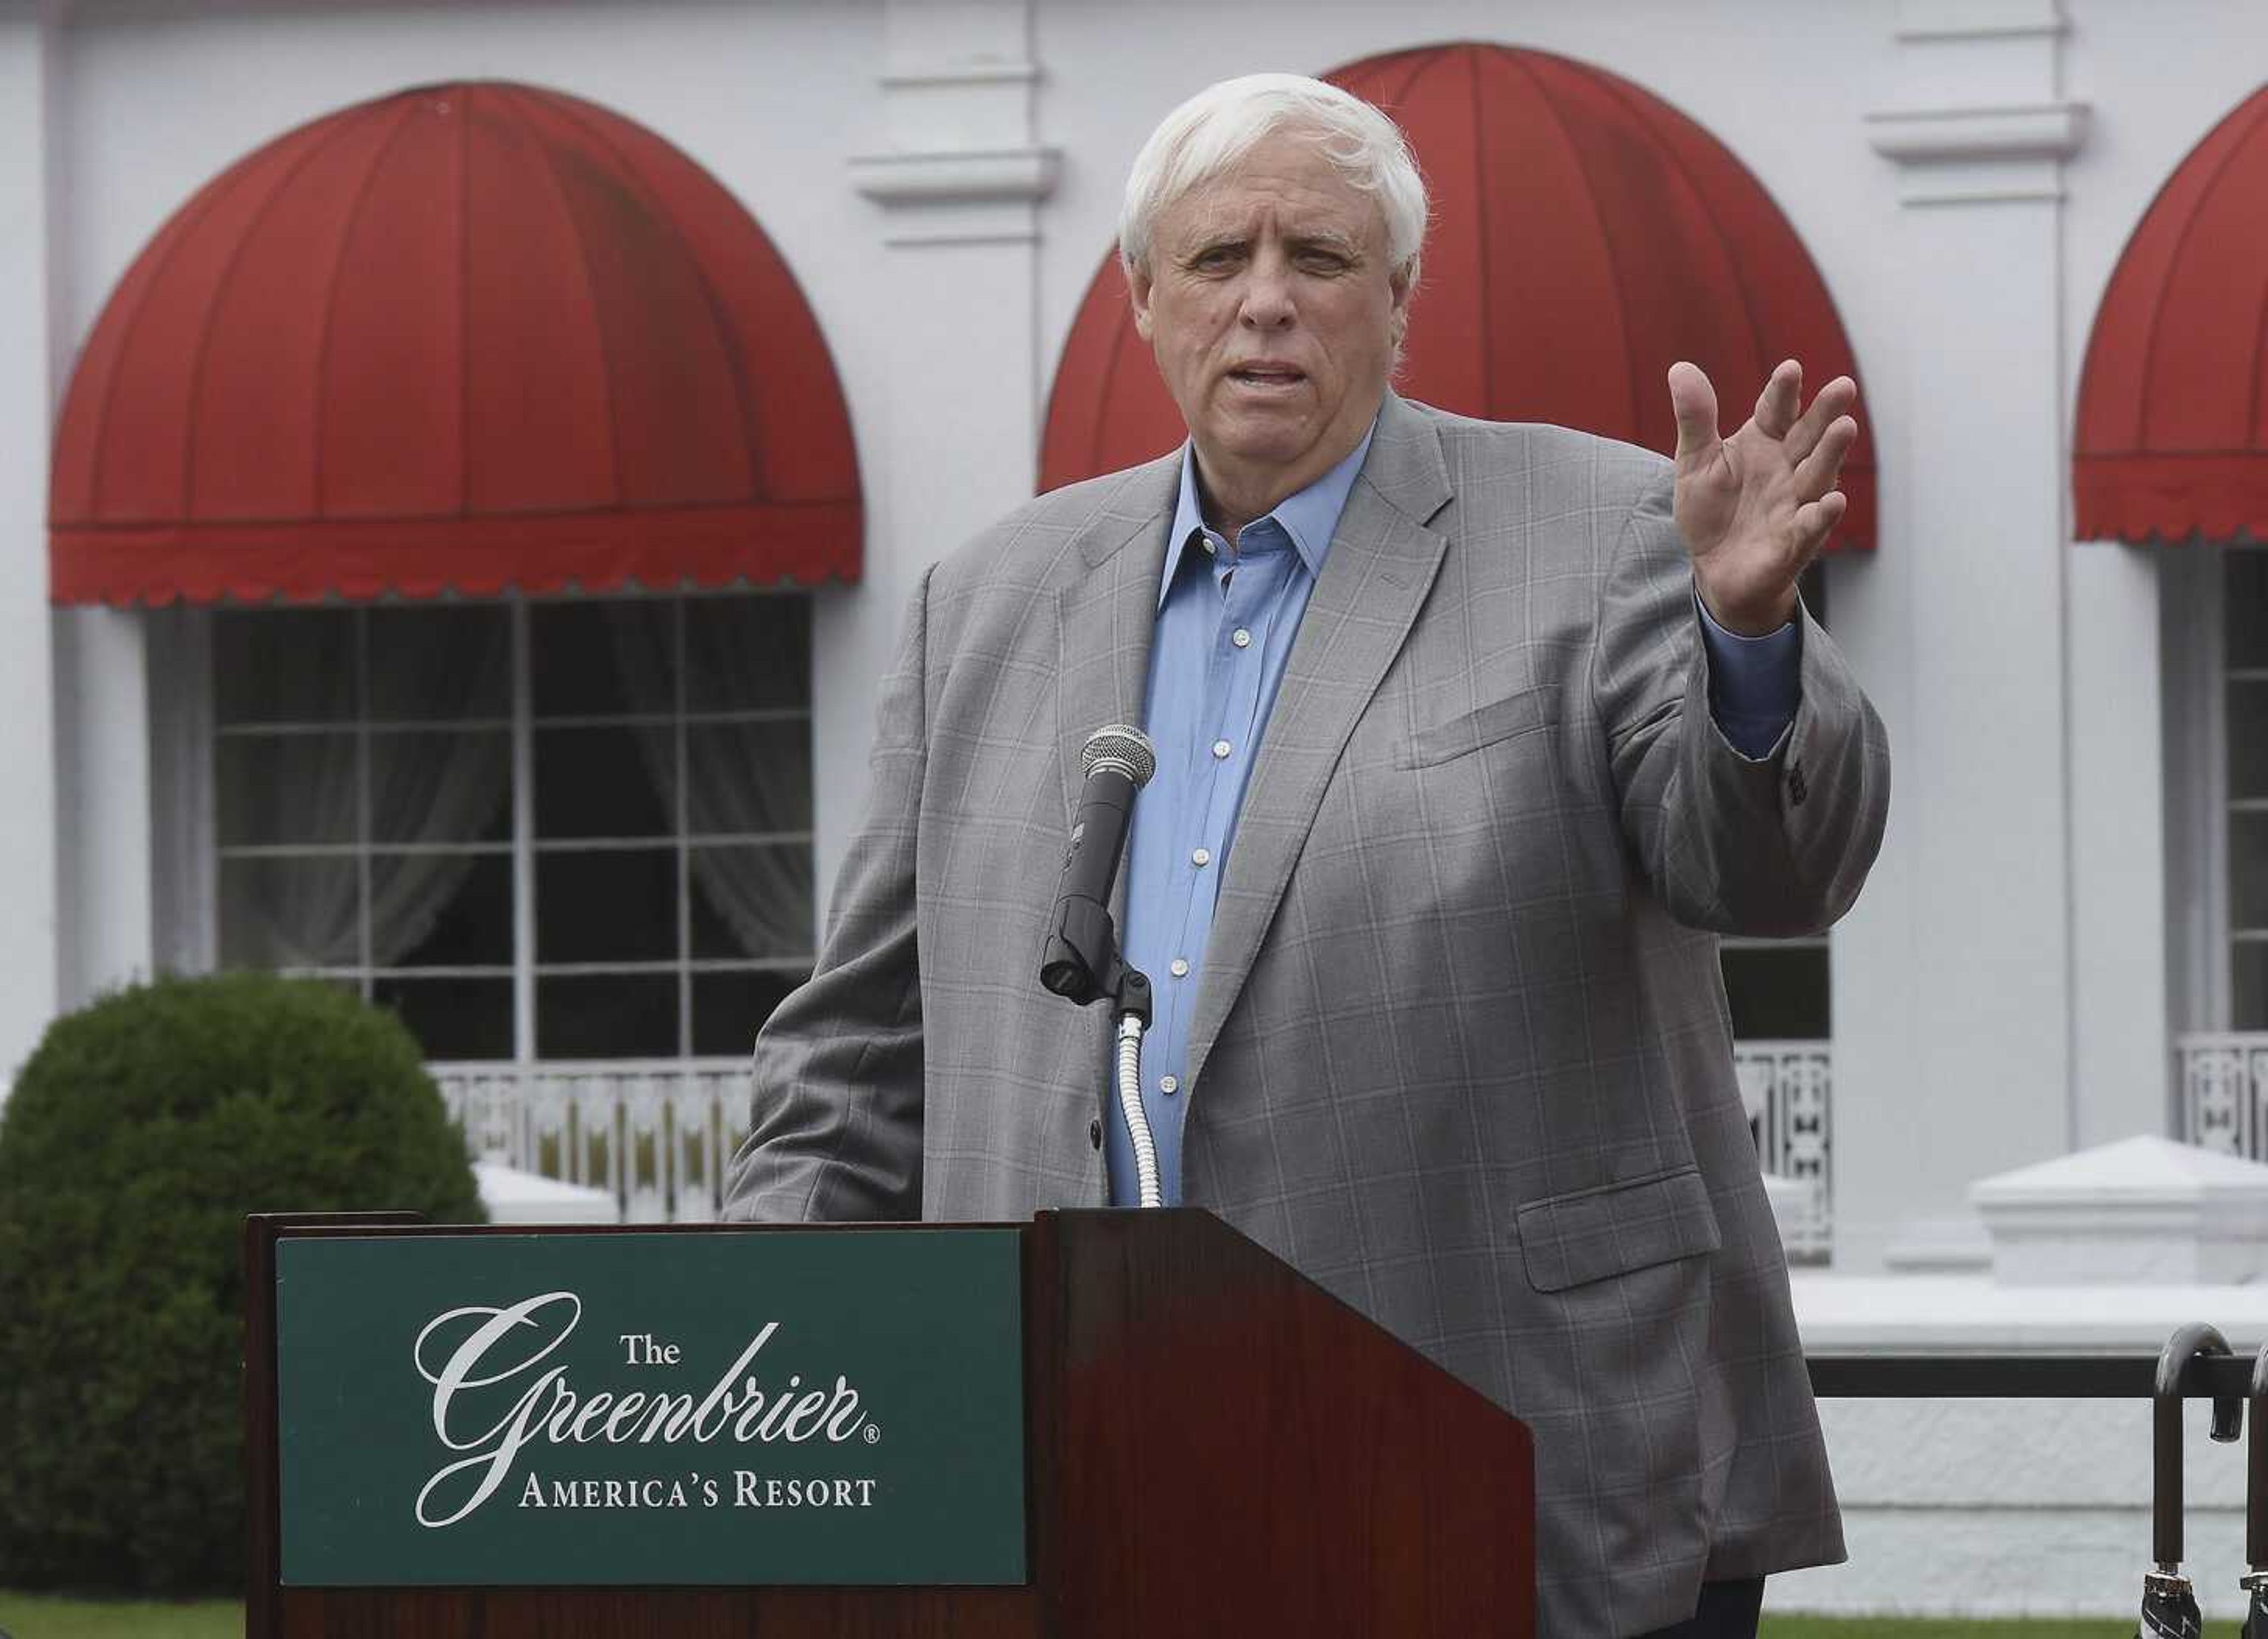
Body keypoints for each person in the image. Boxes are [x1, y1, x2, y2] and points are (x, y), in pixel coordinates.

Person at [721, 71, 1888, 1638]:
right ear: (1144, 298)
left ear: (1399, 300)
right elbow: (862, 1055)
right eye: (1217, 261)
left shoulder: (1606, 532)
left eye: (1320, 260)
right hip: (1081, 1472)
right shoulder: (984, 604)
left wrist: (1749, 640)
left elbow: (1765, 874)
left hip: (1526, 1447)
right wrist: (733, 1363)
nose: (1266, 303)